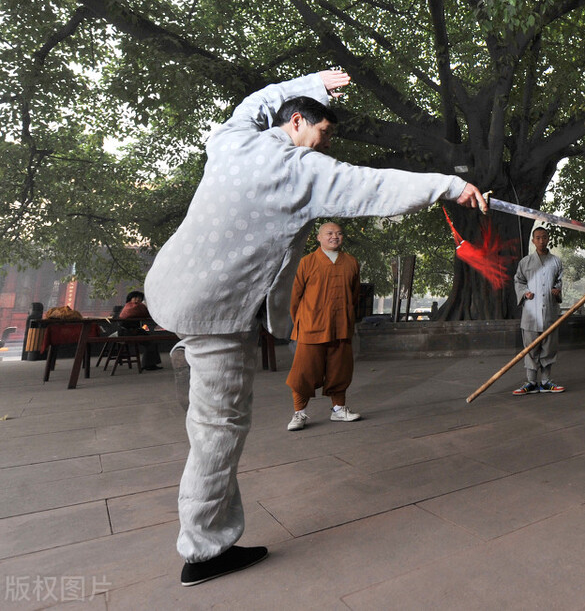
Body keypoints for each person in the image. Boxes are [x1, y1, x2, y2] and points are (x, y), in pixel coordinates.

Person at [144, 69, 487, 586]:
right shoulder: (302, 172)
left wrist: (312, 81)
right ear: (298, 122)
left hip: (169, 287)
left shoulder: (232, 140)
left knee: (207, 421)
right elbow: (373, 185)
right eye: (322, 133)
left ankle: (205, 498)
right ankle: (204, 550)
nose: (325, 145)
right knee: (218, 429)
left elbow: (257, 101)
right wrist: (452, 185)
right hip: (214, 313)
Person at [286, 222, 363, 431]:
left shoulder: (351, 262)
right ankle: (299, 413)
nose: (334, 237)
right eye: (329, 233)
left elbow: (354, 295)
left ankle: (339, 410)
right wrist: (303, 322)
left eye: (339, 233)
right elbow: (295, 298)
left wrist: (346, 316)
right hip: (312, 326)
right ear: (319, 237)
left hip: (341, 326)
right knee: (303, 371)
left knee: (340, 370)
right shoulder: (307, 262)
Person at [512, 226, 565, 395]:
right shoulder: (525, 262)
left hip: (550, 312)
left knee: (549, 348)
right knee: (530, 349)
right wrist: (523, 292)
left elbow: (559, 281)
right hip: (531, 313)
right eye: (538, 238)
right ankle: (531, 382)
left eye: (544, 237)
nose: (541, 241)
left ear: (548, 239)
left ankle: (546, 381)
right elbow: (518, 281)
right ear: (533, 241)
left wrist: (557, 290)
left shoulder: (556, 262)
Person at [118, 289, 162, 370]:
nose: (137, 299)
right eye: (135, 298)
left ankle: (151, 364)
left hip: (136, 330)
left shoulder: (139, 306)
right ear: (130, 299)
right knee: (150, 343)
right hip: (127, 332)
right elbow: (138, 313)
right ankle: (147, 365)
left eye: (139, 298)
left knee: (153, 342)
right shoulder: (130, 306)